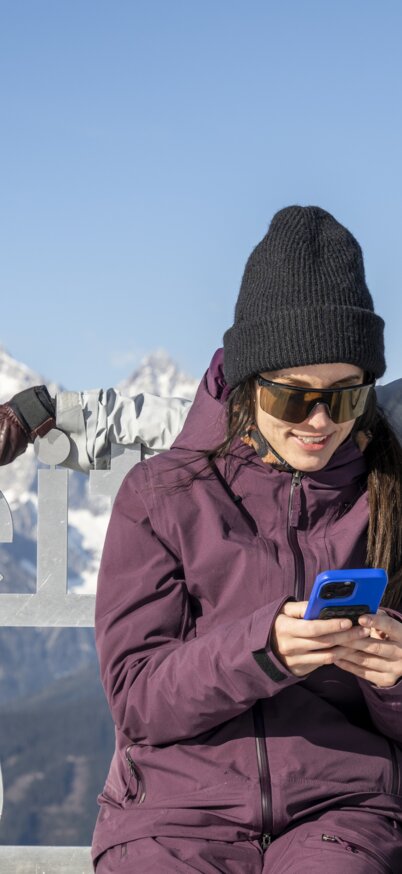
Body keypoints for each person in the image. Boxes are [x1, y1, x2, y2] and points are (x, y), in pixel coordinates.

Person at [90, 205, 402, 873]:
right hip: (170, 816)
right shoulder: (162, 495)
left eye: (345, 398)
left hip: (340, 814)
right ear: (246, 383)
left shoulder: (389, 496)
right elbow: (139, 700)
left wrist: (397, 676)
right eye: (294, 398)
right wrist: (263, 650)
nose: (321, 422)